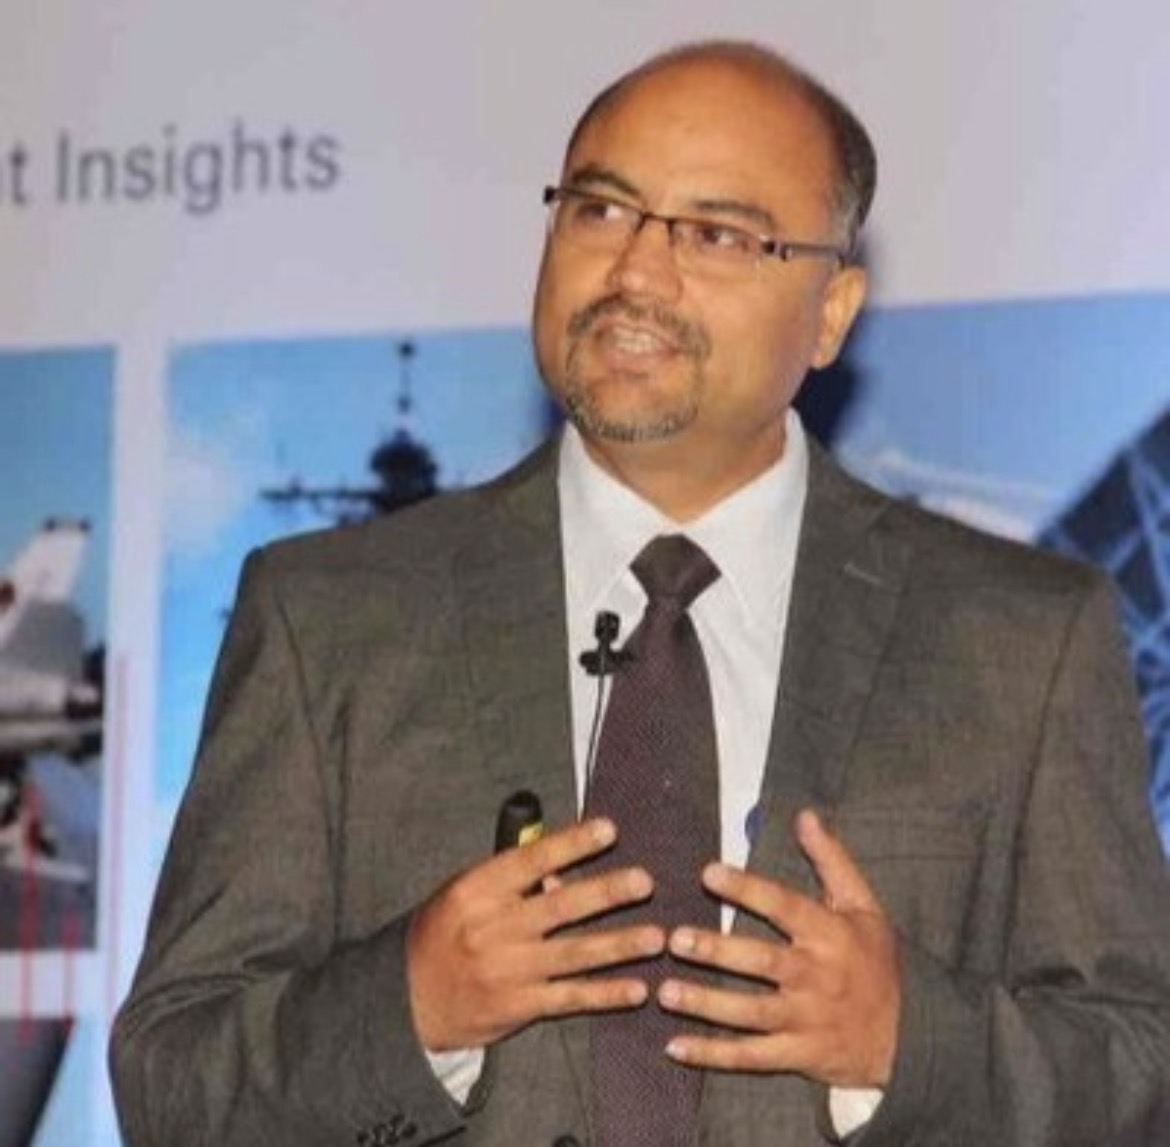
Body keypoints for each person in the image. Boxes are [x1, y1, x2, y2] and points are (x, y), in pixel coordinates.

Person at [110, 40, 1170, 1147]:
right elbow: (172, 1081)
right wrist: (408, 1008)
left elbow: (1140, 1068)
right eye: (601, 210)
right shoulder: (325, 621)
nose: (636, 274)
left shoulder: (1022, 640)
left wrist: (910, 1041)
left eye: (715, 234)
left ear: (831, 311)